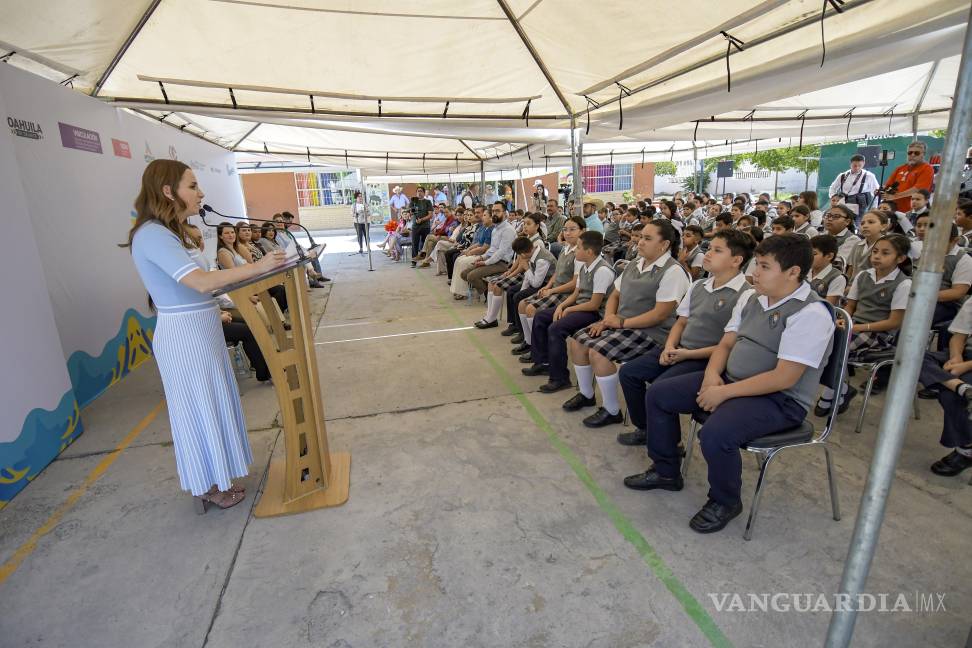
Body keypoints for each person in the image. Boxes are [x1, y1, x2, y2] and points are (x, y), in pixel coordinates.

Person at [629, 234, 835, 534]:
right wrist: (713, 377)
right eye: (756, 265)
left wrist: (723, 392)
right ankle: (666, 470)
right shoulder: (753, 298)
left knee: (716, 433)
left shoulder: (810, 312)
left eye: (764, 267)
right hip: (731, 381)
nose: (755, 274)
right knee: (660, 394)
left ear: (793, 272)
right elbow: (726, 345)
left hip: (779, 400)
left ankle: (725, 501)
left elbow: (785, 377)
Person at [125, 159, 288, 511]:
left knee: (215, 402)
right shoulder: (152, 234)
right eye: (193, 186)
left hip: (202, 327)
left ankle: (222, 473)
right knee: (200, 409)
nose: (201, 193)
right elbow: (198, 282)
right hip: (184, 336)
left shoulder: (172, 231)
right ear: (168, 191)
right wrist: (259, 266)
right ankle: (209, 484)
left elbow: (201, 286)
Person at [617, 229, 754, 446]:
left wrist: (686, 354)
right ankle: (646, 428)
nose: (708, 254)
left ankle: (670, 448)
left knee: (659, 390)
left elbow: (730, 344)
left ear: (736, 260)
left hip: (705, 358)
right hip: (679, 349)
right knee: (629, 372)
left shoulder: (746, 295)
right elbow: (680, 322)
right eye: (709, 249)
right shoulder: (699, 285)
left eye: (717, 251)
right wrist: (669, 346)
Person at [563, 219, 692, 427]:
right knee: (578, 341)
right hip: (623, 325)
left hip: (653, 333)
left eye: (647, 238)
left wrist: (620, 322)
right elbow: (614, 295)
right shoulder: (635, 264)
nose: (640, 242)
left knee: (598, 351)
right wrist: (608, 320)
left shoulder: (673, 271)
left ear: (665, 245)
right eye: (641, 237)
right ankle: (587, 394)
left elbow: (660, 315)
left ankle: (611, 409)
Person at [816, 234, 912, 413]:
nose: (876, 256)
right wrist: (846, 321)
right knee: (821, 338)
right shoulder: (863, 275)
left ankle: (834, 390)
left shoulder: (903, 284)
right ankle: (842, 389)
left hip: (880, 334)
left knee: (835, 345)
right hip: (856, 326)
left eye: (885, 253)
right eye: (875, 251)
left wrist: (858, 327)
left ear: (900, 258)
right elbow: (851, 306)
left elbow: (894, 322)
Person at [523, 231, 614, 393]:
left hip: (593, 314)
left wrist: (569, 309)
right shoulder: (586, 265)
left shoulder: (602, 270)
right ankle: (543, 362)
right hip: (580, 307)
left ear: (589, 252)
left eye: (578, 248)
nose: (575, 250)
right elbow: (576, 293)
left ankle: (560, 378)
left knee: (556, 328)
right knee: (541, 316)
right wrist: (561, 306)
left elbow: (594, 304)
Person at [513, 217, 586, 355]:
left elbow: (573, 284)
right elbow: (557, 272)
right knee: (522, 304)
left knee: (530, 308)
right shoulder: (566, 249)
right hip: (556, 289)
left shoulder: (580, 255)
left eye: (572, 229)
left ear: (582, 231)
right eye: (565, 230)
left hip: (566, 293)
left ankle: (538, 349)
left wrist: (552, 290)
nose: (568, 233)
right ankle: (529, 342)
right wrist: (549, 286)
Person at [917, 297, 972, 476]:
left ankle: (966, 450)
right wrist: (956, 357)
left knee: (949, 396)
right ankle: (962, 387)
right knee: (914, 357)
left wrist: (965, 366)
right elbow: (959, 336)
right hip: (965, 355)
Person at [477, 235, 555, 330]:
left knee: (518, 296)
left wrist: (525, 268)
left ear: (522, 254)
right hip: (534, 279)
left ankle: (521, 329)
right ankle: (513, 323)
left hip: (545, 284)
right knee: (512, 292)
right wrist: (522, 288)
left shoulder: (542, 259)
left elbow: (536, 283)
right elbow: (528, 277)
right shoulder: (532, 252)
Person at [461, 202, 516, 296]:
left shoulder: (508, 230)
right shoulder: (495, 229)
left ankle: (489, 293)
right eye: (493, 211)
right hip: (492, 260)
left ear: (504, 213)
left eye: (497, 211)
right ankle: (488, 291)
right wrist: (482, 258)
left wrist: (485, 262)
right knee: (464, 274)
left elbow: (501, 253)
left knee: (471, 276)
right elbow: (492, 249)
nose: (494, 213)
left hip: (503, 264)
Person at [882, 141, 935, 213]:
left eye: (916, 153)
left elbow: (918, 190)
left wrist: (896, 196)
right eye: (910, 153)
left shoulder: (927, 168)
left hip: (913, 212)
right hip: (894, 210)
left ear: (923, 154)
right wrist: (882, 191)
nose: (912, 155)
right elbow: (887, 185)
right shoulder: (900, 168)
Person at [844, 210, 891, 280]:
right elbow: (850, 270)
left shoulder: (888, 246)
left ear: (883, 226)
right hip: (852, 285)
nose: (865, 226)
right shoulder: (857, 245)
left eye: (871, 222)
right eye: (862, 223)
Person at [807, 235, 847, 306]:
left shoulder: (837, 278)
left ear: (829, 256)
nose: (808, 256)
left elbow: (827, 307)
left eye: (814, 254)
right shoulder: (804, 271)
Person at [821, 205, 861, 269]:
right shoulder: (821, 235)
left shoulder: (852, 240)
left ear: (847, 221)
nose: (830, 219)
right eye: (828, 215)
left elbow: (837, 263)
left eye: (836, 217)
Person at [409, 187, 434, 267]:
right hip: (415, 226)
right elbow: (412, 213)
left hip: (425, 226)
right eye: (417, 191)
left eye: (421, 191)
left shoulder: (427, 202)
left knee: (425, 244)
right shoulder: (414, 201)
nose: (419, 193)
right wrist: (411, 204)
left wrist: (422, 219)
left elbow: (430, 215)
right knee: (414, 243)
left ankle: (426, 261)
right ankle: (414, 261)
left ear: (423, 193)